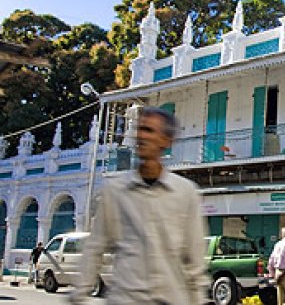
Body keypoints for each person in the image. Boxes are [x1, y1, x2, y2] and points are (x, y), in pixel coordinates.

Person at [70, 107, 208, 304]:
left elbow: (194, 258)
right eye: (140, 129)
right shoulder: (115, 191)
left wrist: (198, 299)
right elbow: (95, 246)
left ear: (166, 141)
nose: (142, 136)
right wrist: (80, 293)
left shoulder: (185, 193)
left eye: (150, 131)